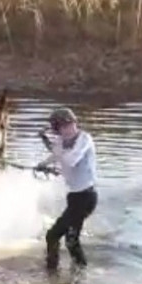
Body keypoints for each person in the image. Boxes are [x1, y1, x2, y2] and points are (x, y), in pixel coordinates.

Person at [34, 107, 98, 270]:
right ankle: (79, 272)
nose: (67, 129)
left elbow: (71, 160)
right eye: (61, 127)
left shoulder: (85, 139)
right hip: (74, 197)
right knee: (71, 240)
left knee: (53, 235)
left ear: (75, 123)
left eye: (68, 125)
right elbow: (56, 155)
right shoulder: (61, 142)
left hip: (86, 197)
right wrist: (43, 165)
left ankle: (52, 271)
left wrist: (57, 152)